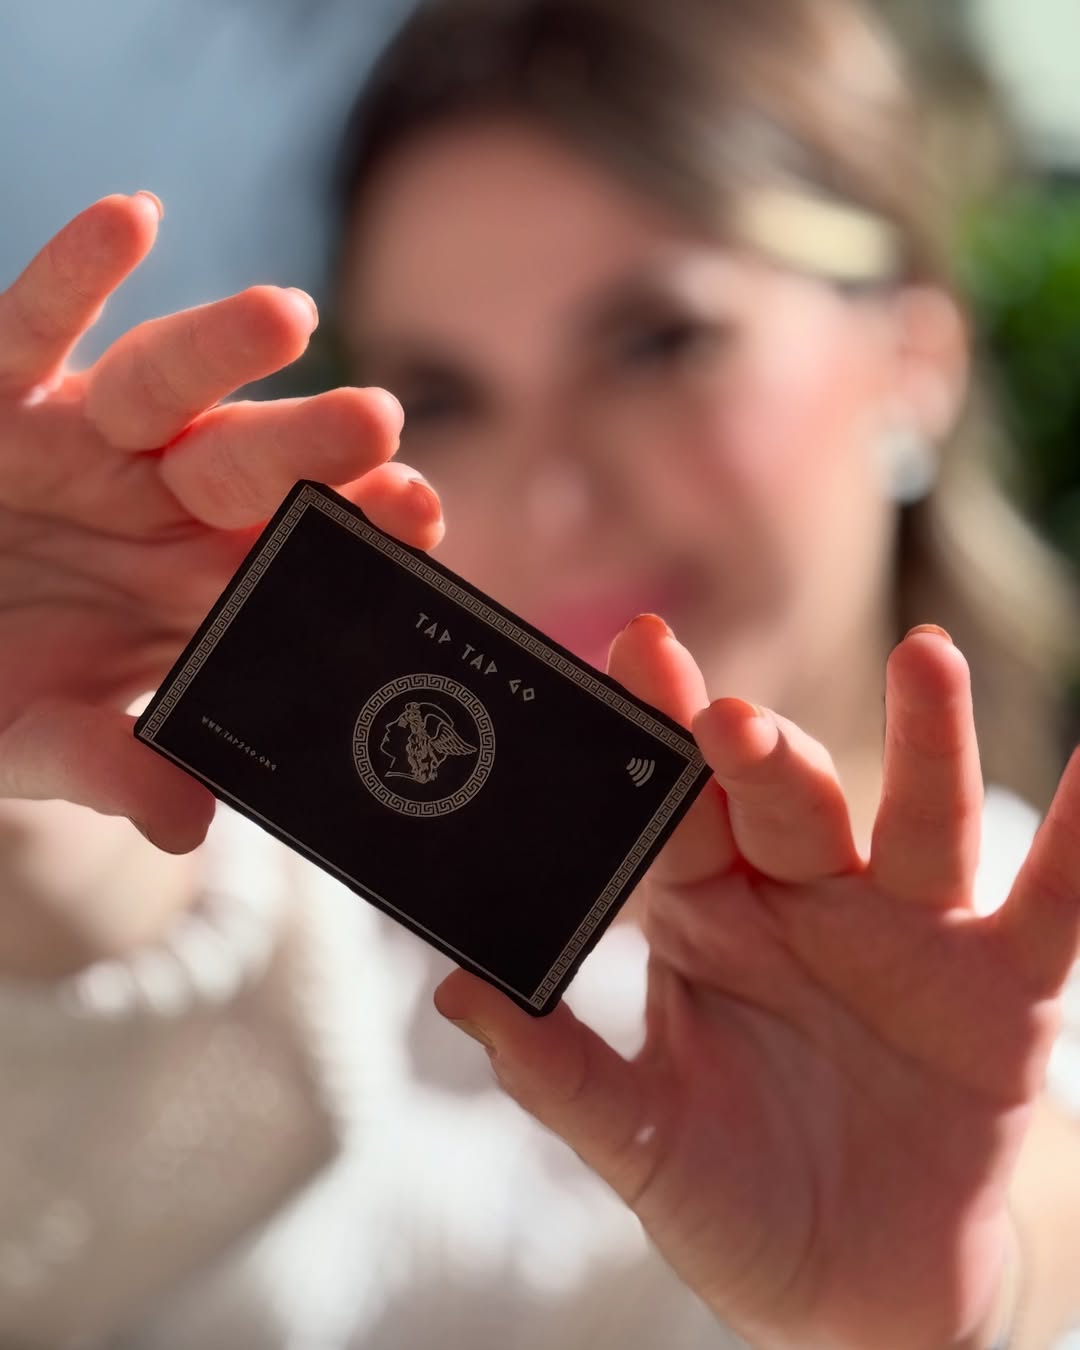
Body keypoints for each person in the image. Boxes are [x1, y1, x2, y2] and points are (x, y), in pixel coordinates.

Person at [1, 0, 1079, 1346]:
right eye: (449, 396)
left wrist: (973, 1297)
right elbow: (159, 1056)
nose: (552, 497)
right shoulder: (310, 920)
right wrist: (37, 815)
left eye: (656, 344)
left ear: (917, 356)